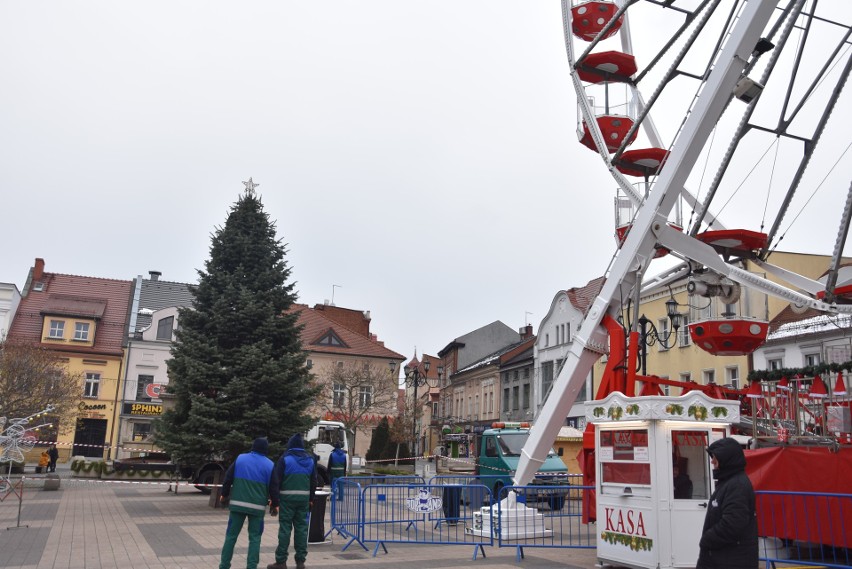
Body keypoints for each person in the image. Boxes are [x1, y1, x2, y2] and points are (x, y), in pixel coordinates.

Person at [697, 437, 758, 569]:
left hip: (730, 559)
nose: (712, 461)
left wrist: (707, 539)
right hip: (724, 557)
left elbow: (733, 523)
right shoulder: (729, 482)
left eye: (715, 457)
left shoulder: (736, 485)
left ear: (726, 459)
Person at [219, 437, 275, 569]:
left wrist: (224, 494)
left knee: (231, 536)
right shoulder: (270, 465)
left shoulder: (240, 459)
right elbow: (274, 487)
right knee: (255, 538)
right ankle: (251, 566)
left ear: (253, 447)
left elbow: (228, 477)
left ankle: (224, 565)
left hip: (237, 506)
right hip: (257, 509)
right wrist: (275, 504)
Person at [267, 433, 317, 569]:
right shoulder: (310, 460)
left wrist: (274, 501)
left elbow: (276, 481)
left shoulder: (285, 459)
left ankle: (281, 561)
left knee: (285, 530)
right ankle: (300, 562)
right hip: (304, 501)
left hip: (287, 501)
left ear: (290, 446)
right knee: (301, 530)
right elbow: (314, 482)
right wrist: (311, 499)